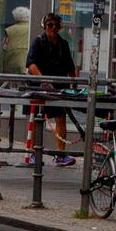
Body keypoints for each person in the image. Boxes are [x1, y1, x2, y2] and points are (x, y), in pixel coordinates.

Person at [24, 12, 78, 167]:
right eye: (50, 25)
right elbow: (31, 64)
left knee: (60, 118)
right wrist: (43, 80)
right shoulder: (38, 42)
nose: (53, 28)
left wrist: (74, 86)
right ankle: (34, 153)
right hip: (38, 87)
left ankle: (60, 155)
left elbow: (70, 67)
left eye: (56, 25)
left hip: (59, 88)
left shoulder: (64, 44)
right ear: (45, 26)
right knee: (35, 118)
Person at [2, 5, 31, 74]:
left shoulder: (9, 30)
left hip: (11, 63)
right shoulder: (32, 28)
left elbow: (4, 47)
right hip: (27, 65)